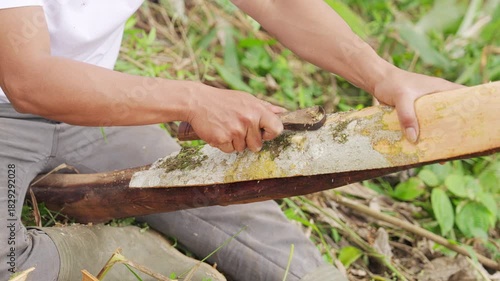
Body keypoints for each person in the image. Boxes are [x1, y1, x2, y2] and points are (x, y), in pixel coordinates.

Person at [0, 0, 463, 280]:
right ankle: (122, 256)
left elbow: (277, 6)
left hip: (93, 101)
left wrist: (383, 76)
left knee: (223, 195)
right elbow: (29, 79)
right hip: (12, 103)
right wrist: (193, 100)